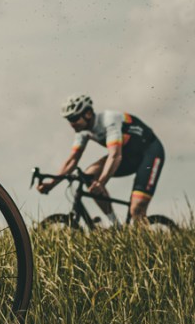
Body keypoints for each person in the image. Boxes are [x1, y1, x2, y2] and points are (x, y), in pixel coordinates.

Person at [36, 94, 165, 226]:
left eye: (74, 118)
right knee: (88, 176)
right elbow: (72, 161)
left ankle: (146, 237)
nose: (71, 124)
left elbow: (115, 156)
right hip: (127, 157)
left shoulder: (109, 120)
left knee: (137, 209)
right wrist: (51, 184)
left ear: (88, 113)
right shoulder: (82, 131)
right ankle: (116, 225)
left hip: (150, 154)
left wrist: (101, 182)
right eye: (69, 119)